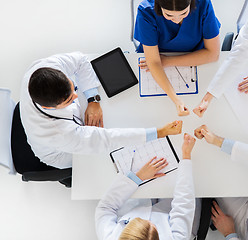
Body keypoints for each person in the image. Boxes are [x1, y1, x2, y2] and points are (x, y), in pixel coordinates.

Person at [20, 52, 183, 169]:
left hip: (68, 127)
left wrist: (92, 99)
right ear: (49, 108)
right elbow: (107, 139)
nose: (76, 96)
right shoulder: (57, 133)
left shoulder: (44, 68)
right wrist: (158, 132)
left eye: (73, 87)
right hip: (59, 154)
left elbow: (82, 61)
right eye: (70, 100)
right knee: (109, 159)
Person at [95, 133, 196, 240]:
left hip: (135, 203)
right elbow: (183, 204)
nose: (148, 219)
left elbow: (105, 207)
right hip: (168, 211)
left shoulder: (109, 237)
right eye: (153, 225)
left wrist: (138, 177)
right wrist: (186, 156)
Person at [134, 0, 221, 116]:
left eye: (184, 13)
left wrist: (168, 61)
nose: (177, 19)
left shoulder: (203, 3)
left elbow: (213, 54)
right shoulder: (146, 11)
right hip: (158, 55)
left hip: (195, 55)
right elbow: (154, 62)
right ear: (158, 6)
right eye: (169, 15)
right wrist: (177, 100)